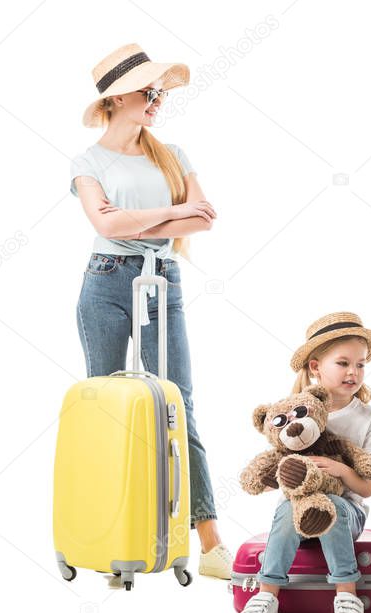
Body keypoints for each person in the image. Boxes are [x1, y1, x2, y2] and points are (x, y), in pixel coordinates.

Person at [70, 44, 232, 579]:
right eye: (148, 91)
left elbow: (204, 220)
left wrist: (144, 219)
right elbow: (106, 228)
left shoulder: (173, 154)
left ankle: (209, 543)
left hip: (163, 280)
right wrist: (172, 211)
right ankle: (112, 532)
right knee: (107, 407)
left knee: (178, 407)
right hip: (107, 282)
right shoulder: (88, 163)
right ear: (117, 98)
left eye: (159, 91)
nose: (157, 99)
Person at [238, 313, 371, 613]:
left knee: (333, 507)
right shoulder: (295, 414)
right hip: (299, 512)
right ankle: (267, 596)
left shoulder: (368, 419)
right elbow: (277, 462)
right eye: (343, 363)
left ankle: (347, 596)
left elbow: (367, 488)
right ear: (315, 367)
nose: (353, 372)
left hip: (348, 512)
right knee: (285, 507)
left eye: (361, 364)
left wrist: (341, 470)